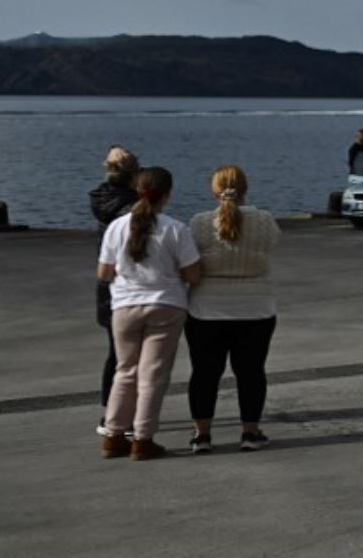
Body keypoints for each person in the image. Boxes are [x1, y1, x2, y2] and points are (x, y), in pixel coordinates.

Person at [97, 167, 202, 460]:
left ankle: (114, 435)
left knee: (124, 370)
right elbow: (193, 274)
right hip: (166, 305)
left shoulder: (116, 227)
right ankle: (142, 439)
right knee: (152, 375)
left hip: (124, 306)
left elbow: (104, 273)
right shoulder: (175, 229)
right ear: (168, 194)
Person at [185, 166, 282, 454]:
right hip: (256, 306)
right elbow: (272, 245)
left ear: (214, 190)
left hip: (207, 308)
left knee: (204, 373)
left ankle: (201, 436)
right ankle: (250, 433)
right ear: (245, 189)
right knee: (251, 372)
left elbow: (189, 259)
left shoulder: (200, 222)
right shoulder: (264, 220)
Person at [87, 145, 141, 435]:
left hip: (108, 290)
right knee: (139, 358)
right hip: (136, 288)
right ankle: (132, 416)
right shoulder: (136, 207)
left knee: (116, 355)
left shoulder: (100, 200)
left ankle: (110, 413)